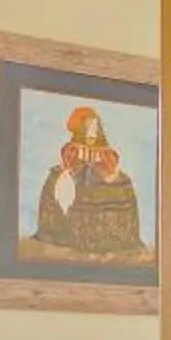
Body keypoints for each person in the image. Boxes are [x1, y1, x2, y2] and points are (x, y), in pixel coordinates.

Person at [32, 105, 147, 261]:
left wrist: (108, 172)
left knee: (122, 182)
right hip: (77, 175)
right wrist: (74, 169)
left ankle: (114, 236)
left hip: (101, 174)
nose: (92, 132)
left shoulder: (105, 150)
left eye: (95, 128)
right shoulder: (72, 148)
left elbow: (111, 166)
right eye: (88, 128)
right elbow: (68, 164)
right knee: (60, 181)